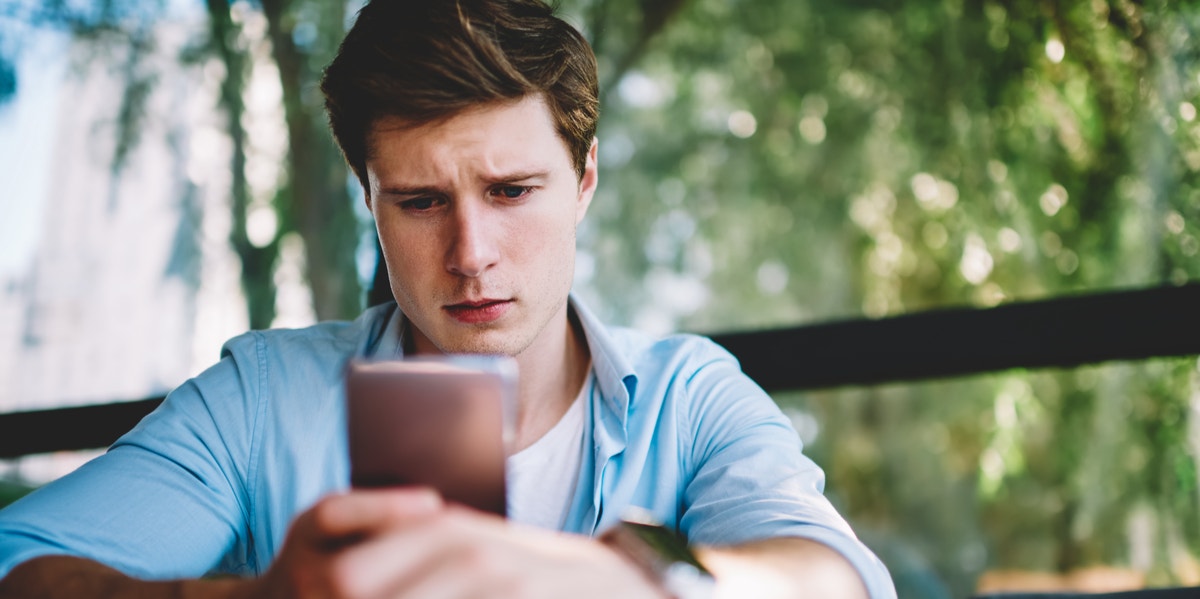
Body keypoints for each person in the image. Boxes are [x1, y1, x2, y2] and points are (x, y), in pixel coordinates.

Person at [0, 1, 896, 597]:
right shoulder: (265, 399)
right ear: (371, 202)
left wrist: (633, 582)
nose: (470, 256)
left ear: (583, 179)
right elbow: (19, 564)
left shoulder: (686, 399)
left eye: (511, 191)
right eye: (422, 202)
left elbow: (835, 577)